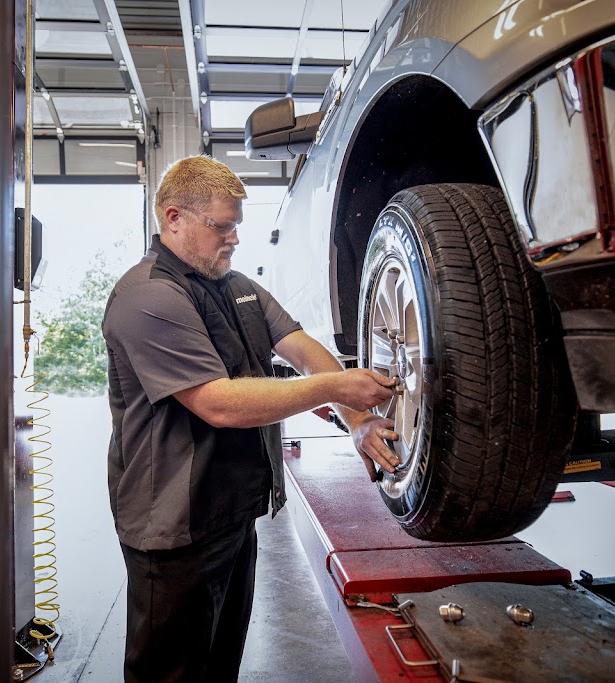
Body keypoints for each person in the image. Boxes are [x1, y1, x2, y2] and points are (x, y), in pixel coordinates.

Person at [102, 155, 401, 682]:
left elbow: (300, 345)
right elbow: (217, 402)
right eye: (222, 225)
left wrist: (356, 418)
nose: (234, 238)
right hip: (174, 527)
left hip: (231, 512)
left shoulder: (236, 285)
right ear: (174, 218)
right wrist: (332, 388)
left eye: (238, 225)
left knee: (220, 666)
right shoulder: (148, 295)